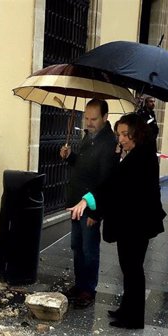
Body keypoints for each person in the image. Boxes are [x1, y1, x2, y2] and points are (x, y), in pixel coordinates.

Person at [69, 113, 166, 328]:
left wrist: (91, 205)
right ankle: (127, 309)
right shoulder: (135, 153)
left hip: (136, 224)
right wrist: (119, 155)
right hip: (131, 222)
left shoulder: (141, 156)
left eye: (125, 134)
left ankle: (133, 318)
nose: (121, 139)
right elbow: (115, 183)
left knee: (133, 269)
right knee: (129, 268)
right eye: (119, 134)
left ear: (137, 134)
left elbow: (115, 187)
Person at [59, 99, 118, 308]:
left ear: (105, 118)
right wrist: (70, 157)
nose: (89, 122)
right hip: (76, 203)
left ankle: (88, 290)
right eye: (87, 117)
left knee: (89, 248)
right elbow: (83, 166)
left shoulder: (109, 143)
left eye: (94, 119)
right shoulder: (88, 137)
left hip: (91, 207)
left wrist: (96, 212)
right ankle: (79, 284)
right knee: (77, 246)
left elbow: (105, 181)